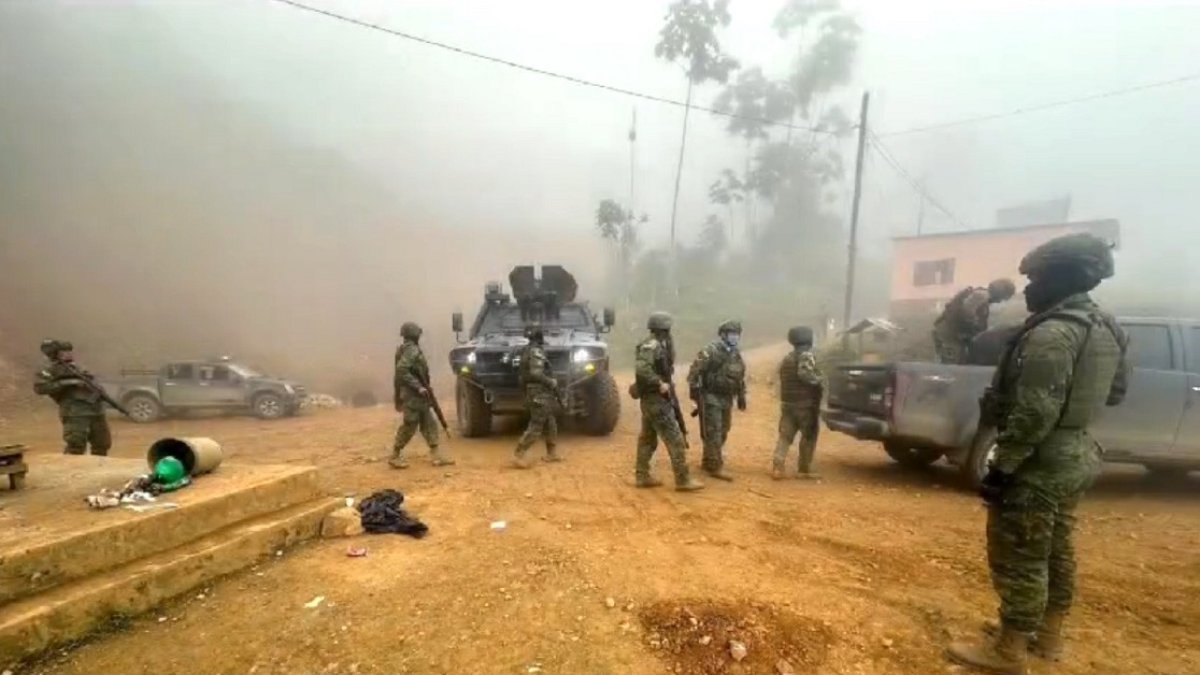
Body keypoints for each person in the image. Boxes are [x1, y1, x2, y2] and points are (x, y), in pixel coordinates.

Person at [946, 233, 1128, 674]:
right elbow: (1117, 392)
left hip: (1039, 461)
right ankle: (1046, 637)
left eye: (1037, 279)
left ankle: (1008, 651)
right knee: (1056, 549)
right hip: (1075, 453)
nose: (1028, 289)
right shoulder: (1106, 327)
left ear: (1064, 279)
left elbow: (1036, 411)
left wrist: (1002, 466)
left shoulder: (1052, 334)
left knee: (1020, 553)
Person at [632, 311, 703, 492]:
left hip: (651, 400)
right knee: (675, 439)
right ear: (664, 328)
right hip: (656, 399)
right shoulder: (652, 345)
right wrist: (659, 383)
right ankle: (683, 479)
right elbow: (641, 369)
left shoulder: (659, 345)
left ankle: (642, 475)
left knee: (647, 438)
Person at [686, 319, 747, 481]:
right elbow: (694, 373)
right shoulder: (710, 351)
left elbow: (739, 376)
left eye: (736, 334)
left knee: (724, 430)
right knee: (713, 431)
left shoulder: (736, 354)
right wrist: (695, 397)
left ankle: (708, 460)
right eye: (731, 334)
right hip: (710, 396)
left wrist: (741, 396)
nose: (734, 338)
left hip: (727, 398)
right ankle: (714, 465)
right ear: (723, 335)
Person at [391, 322, 454, 469]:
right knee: (410, 424)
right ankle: (395, 454)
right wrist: (418, 386)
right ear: (414, 335)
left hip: (418, 394)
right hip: (413, 395)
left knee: (429, 422)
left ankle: (436, 454)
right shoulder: (411, 350)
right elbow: (401, 370)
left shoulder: (405, 349)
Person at [33, 339, 112, 456]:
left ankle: (98, 469)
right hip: (74, 412)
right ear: (56, 354)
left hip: (96, 411)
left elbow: (93, 383)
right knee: (76, 445)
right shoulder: (50, 370)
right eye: (64, 351)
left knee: (102, 444)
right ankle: (70, 471)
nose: (68, 354)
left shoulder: (78, 368)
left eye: (69, 351)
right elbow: (40, 388)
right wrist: (69, 383)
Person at [771, 326, 825, 480]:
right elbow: (805, 374)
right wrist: (820, 380)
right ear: (809, 339)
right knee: (809, 436)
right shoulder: (806, 356)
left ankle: (778, 466)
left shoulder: (787, 358)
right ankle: (804, 468)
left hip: (788, 403)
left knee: (785, 436)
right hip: (805, 405)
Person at [933, 279, 1017, 364]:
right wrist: (975, 329)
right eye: (1004, 297)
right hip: (949, 334)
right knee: (952, 363)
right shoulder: (981, 296)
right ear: (1001, 293)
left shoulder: (981, 295)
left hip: (950, 333)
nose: (1000, 301)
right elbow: (966, 314)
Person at [513, 324, 561, 468]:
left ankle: (551, 453)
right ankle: (519, 453)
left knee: (550, 421)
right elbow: (535, 373)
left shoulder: (527, 350)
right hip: (538, 391)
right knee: (537, 423)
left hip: (537, 390)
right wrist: (551, 382)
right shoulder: (536, 351)